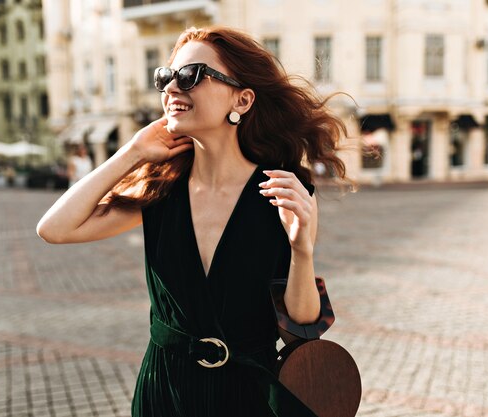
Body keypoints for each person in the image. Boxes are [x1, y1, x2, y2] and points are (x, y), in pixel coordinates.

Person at [37, 26, 351, 417]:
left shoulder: (281, 189)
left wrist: (302, 251)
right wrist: (131, 153)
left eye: (190, 76)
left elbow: (304, 324)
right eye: (165, 77)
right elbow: (54, 228)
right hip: (164, 392)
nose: (171, 88)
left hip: (247, 396)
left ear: (243, 98)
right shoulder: (160, 190)